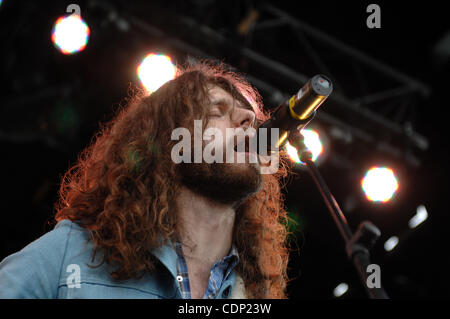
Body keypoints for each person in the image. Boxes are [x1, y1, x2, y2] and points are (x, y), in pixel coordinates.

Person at [0, 61, 290, 299]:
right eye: (218, 111)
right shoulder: (72, 253)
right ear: (168, 143)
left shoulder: (255, 293)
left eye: (250, 119)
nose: (247, 121)